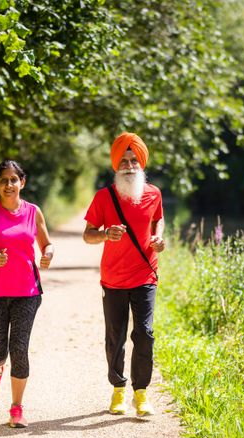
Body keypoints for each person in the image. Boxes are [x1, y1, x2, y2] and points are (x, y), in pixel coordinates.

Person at [83, 132, 165, 417]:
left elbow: (158, 219)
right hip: (114, 278)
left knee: (145, 333)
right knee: (115, 337)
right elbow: (87, 235)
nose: (129, 165)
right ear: (116, 165)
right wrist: (106, 234)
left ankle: (140, 394)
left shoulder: (153, 193)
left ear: (141, 164)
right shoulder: (103, 197)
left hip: (145, 275)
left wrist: (159, 238)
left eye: (134, 161)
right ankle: (118, 390)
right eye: (124, 161)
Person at [0, 159, 54, 428]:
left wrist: (48, 254)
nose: (8, 184)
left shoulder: (33, 212)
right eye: (3, 180)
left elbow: (47, 244)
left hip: (27, 292)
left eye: (13, 179)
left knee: (19, 349)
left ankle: (16, 408)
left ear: (22, 183)